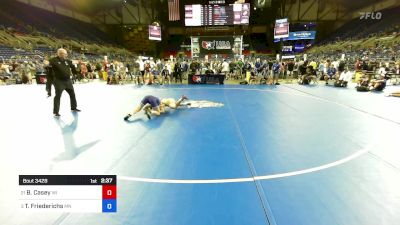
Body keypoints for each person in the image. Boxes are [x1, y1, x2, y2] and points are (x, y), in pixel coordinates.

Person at [48, 48, 80, 117]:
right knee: (58, 96)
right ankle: (56, 112)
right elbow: (48, 66)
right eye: (65, 54)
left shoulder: (67, 61)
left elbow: (73, 68)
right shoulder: (53, 60)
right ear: (60, 54)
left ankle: (74, 107)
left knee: (72, 94)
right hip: (59, 81)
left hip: (68, 81)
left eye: (66, 54)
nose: (66, 55)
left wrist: (77, 71)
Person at [124, 95, 188, 120]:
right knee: (159, 112)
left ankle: (130, 114)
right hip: (159, 101)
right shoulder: (161, 103)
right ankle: (181, 99)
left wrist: (184, 104)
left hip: (147, 97)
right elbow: (162, 111)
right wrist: (151, 111)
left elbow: (144, 108)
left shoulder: (161, 103)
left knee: (139, 108)